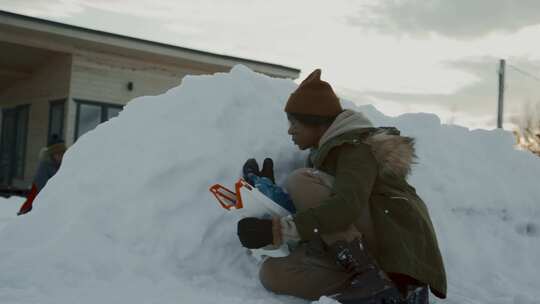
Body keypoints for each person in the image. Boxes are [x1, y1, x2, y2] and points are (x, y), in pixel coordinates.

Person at [236, 69, 447, 303]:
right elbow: (326, 221)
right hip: (369, 258)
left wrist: (280, 229)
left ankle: (373, 282)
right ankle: (385, 294)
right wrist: (270, 198)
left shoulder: (356, 149)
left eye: (294, 123)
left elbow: (346, 207)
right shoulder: (325, 156)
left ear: (316, 122)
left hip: (396, 253)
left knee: (301, 181)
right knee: (273, 273)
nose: (290, 130)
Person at [17, 137, 66, 215]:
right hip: (39, 191)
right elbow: (41, 184)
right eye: (58, 154)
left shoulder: (64, 164)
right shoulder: (45, 165)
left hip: (55, 195)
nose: (60, 156)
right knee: (30, 208)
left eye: (62, 153)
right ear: (52, 154)